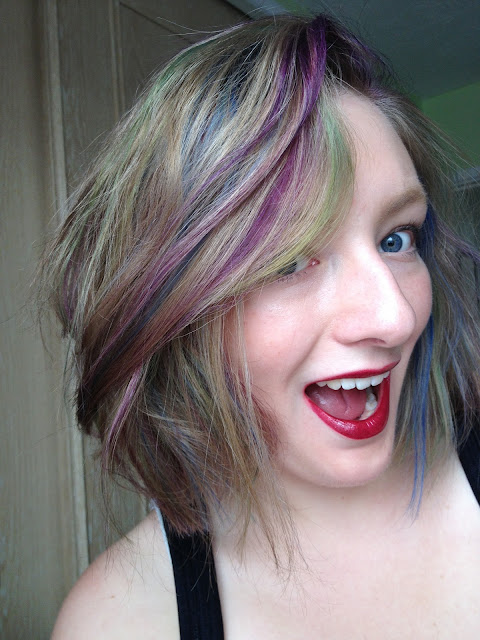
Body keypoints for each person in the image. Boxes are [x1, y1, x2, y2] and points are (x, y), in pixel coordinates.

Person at [44, 14, 480, 639]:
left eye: (396, 238)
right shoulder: (118, 620)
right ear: (173, 310)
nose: (396, 317)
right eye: (290, 261)